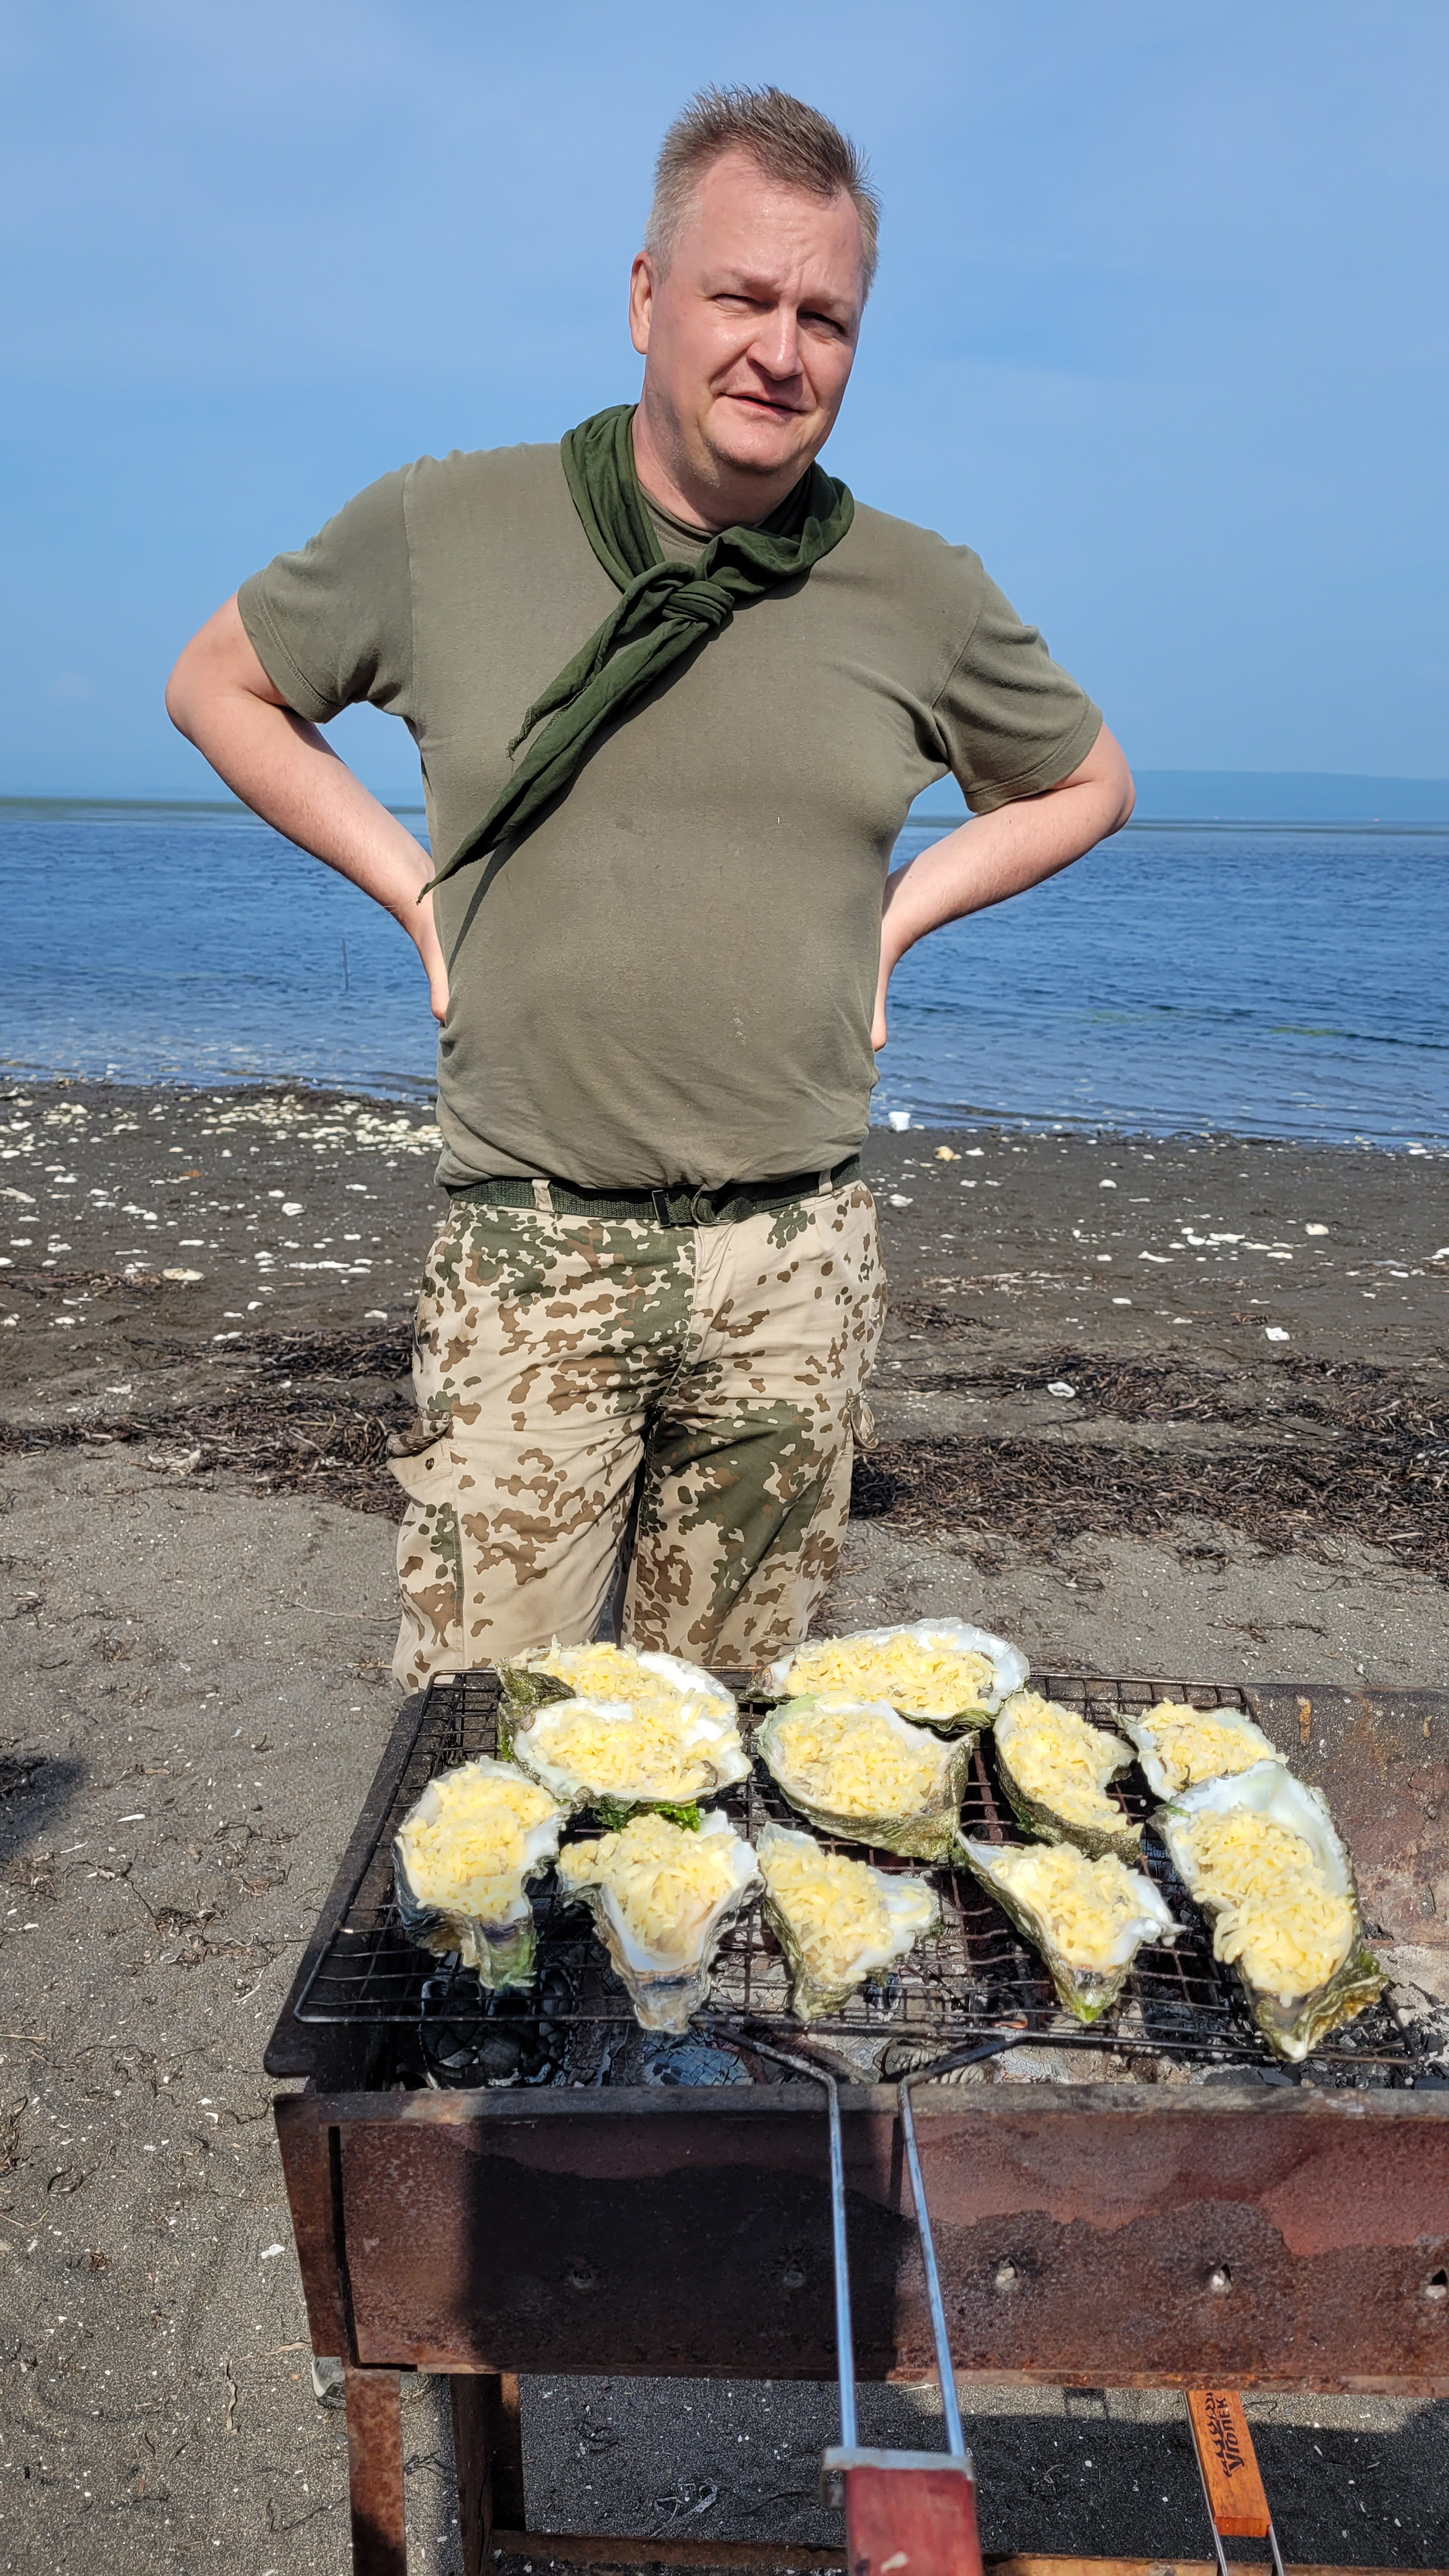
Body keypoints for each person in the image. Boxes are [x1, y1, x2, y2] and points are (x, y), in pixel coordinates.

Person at [166, 85, 1133, 1692]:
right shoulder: (443, 526)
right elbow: (220, 685)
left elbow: (1088, 781)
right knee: (488, 1745)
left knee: (734, 1745)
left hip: (797, 1266)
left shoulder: (920, 591)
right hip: (535, 1252)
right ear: (644, 297)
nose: (781, 351)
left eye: (825, 317)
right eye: (742, 297)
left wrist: (897, 917)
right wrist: (413, 888)